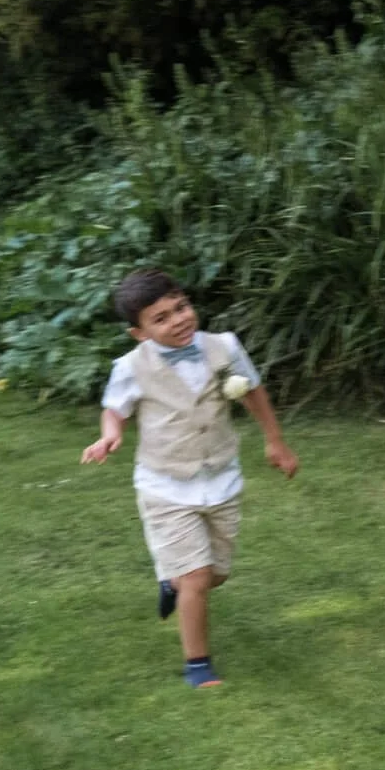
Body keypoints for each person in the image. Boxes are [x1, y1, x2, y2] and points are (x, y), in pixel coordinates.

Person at [81, 269, 299, 687]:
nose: (178, 320)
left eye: (180, 307)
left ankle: (172, 582)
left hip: (221, 479)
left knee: (216, 574)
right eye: (160, 318)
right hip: (165, 486)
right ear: (139, 333)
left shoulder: (224, 347)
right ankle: (197, 666)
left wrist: (275, 442)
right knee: (197, 576)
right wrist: (110, 435)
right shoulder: (131, 367)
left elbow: (253, 391)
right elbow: (114, 408)